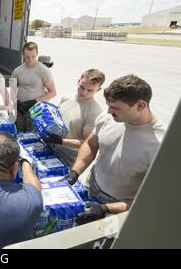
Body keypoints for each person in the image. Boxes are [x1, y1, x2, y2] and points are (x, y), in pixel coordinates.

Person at [61, 75, 165, 224]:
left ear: (141, 106)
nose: (109, 111)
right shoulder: (108, 117)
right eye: (109, 105)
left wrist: (106, 209)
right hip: (92, 186)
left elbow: (148, 200)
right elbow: (91, 144)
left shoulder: (159, 145)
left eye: (115, 107)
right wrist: (75, 172)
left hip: (119, 205)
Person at [42, 69, 105, 167]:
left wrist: (60, 141)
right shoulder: (66, 97)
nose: (84, 92)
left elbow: (87, 144)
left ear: (98, 90)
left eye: (90, 90)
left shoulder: (95, 112)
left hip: (68, 155)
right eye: (81, 87)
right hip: (50, 144)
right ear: (78, 81)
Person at [11, 42, 57, 132]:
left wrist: (34, 101)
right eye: (27, 57)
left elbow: (53, 92)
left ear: (37, 54)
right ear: (23, 55)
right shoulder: (17, 70)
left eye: (33, 56)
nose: (30, 59)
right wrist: (16, 103)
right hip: (20, 110)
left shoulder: (44, 70)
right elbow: (12, 90)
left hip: (36, 111)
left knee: (32, 136)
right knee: (19, 134)